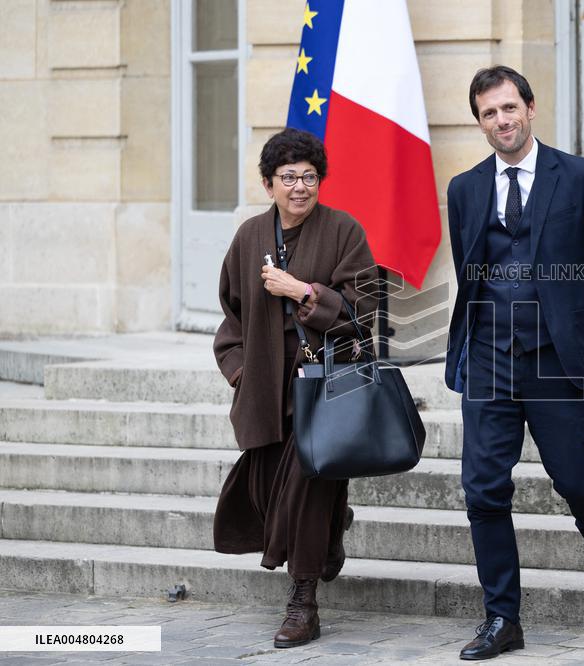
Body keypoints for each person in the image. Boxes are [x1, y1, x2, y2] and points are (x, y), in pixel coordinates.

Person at [444, 66, 584, 661]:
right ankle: (502, 618)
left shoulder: (579, 177)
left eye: (510, 108)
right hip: (488, 356)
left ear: (530, 109)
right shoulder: (464, 188)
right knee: (482, 488)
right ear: (479, 122)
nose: (501, 121)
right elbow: (470, 269)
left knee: (577, 478)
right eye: (489, 113)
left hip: (558, 356)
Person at [212, 128, 378, 648]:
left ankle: (303, 602)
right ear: (268, 185)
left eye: (309, 177)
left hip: (326, 385)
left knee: (306, 487)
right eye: (289, 178)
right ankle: (331, 528)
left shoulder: (344, 230)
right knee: (267, 491)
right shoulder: (248, 238)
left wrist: (304, 291)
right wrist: (241, 373)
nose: (300, 187)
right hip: (266, 385)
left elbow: (367, 308)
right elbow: (230, 317)